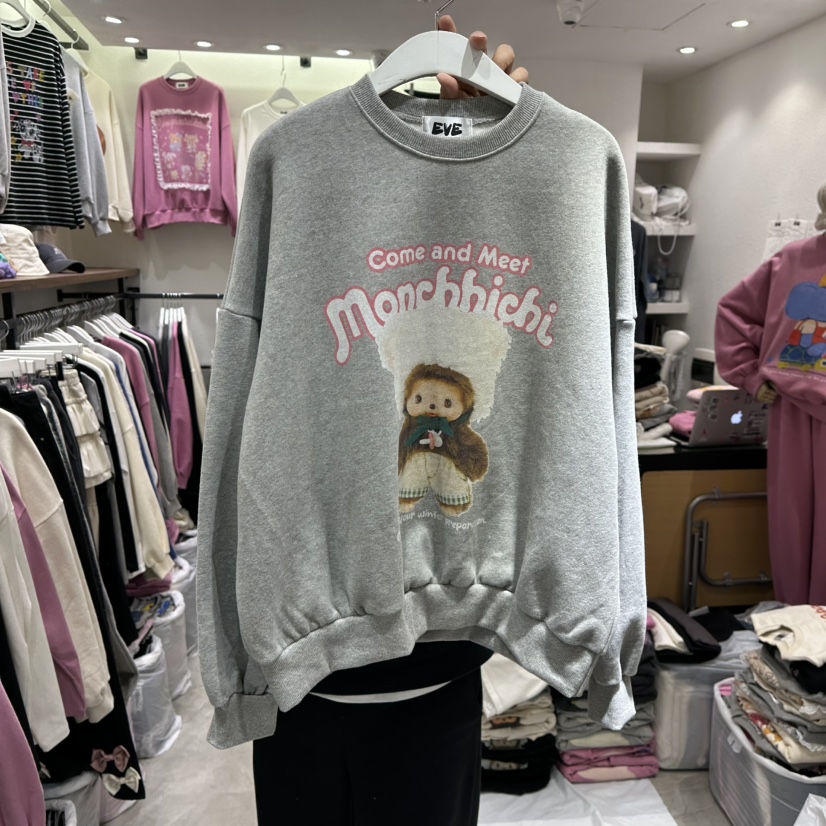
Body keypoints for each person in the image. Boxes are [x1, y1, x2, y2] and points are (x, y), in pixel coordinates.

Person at [250, 17, 529, 826]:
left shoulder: (545, 174)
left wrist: (485, 161)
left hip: (442, 663)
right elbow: (247, 402)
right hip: (308, 662)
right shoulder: (294, 160)